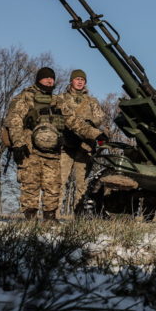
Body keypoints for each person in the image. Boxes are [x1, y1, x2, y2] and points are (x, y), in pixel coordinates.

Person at [5, 67, 103, 221]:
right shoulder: (25, 97)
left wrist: (97, 134)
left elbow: (74, 122)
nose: (50, 81)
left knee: (53, 185)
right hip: (29, 149)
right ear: (39, 79)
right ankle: (30, 219)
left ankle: (50, 218)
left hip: (52, 151)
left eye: (52, 78)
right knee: (31, 185)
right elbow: (14, 121)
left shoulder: (57, 101)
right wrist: (18, 143)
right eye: (46, 78)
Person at [56, 69, 106, 217]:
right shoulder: (61, 98)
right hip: (65, 145)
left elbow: (100, 117)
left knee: (82, 184)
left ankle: (78, 216)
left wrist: (91, 122)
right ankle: (53, 215)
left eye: (82, 80)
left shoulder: (92, 101)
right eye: (77, 79)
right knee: (59, 181)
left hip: (85, 147)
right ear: (71, 80)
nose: (79, 82)